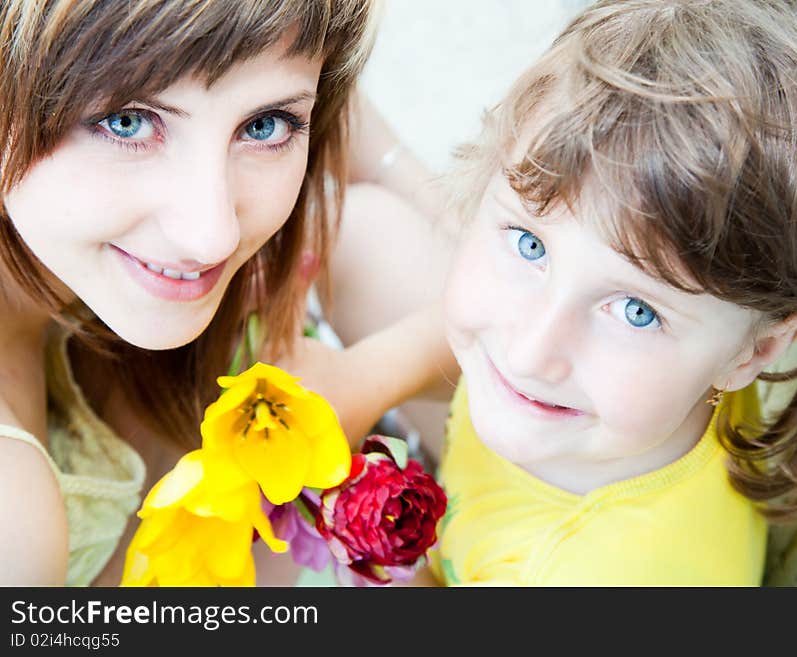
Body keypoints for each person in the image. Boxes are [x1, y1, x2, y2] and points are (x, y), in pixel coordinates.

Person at [384, 0, 797, 585]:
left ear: (759, 351)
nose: (529, 352)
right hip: (483, 490)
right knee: (364, 223)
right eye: (529, 245)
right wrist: (360, 385)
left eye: (636, 312)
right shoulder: (670, 370)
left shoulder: (609, 576)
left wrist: (371, 559)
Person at [0, 0, 456, 587]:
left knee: (368, 229)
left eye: (264, 125)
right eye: (128, 122)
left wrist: (371, 376)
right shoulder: (16, 517)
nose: (211, 235)